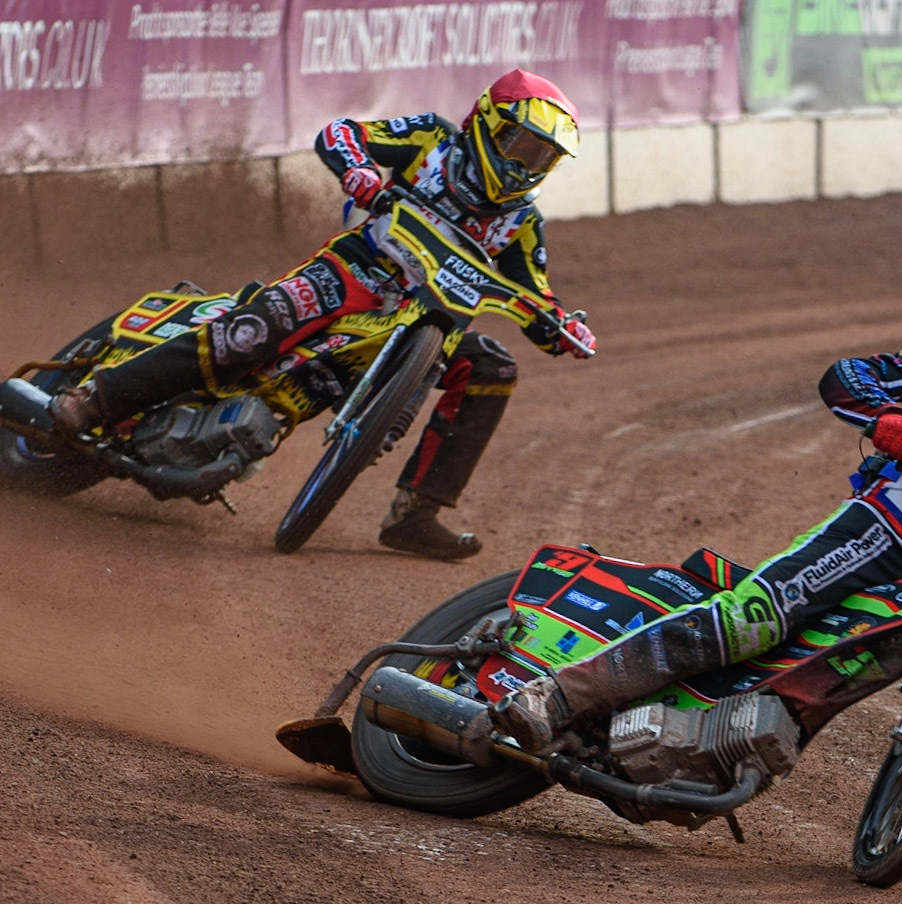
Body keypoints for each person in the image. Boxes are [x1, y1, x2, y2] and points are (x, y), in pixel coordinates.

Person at [472, 261, 902, 876]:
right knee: (753, 618)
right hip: (887, 530)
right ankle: (557, 696)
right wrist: (887, 418)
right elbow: (848, 378)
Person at [48, 69, 596, 560]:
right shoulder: (433, 140)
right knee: (251, 334)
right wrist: (359, 171)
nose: (528, 164)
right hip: (354, 272)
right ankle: (97, 398)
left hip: (431, 323)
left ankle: (416, 515)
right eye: (521, 146)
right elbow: (340, 134)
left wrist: (562, 326)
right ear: (487, 124)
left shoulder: (522, 223)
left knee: (492, 368)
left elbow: (535, 296)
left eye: (542, 157)